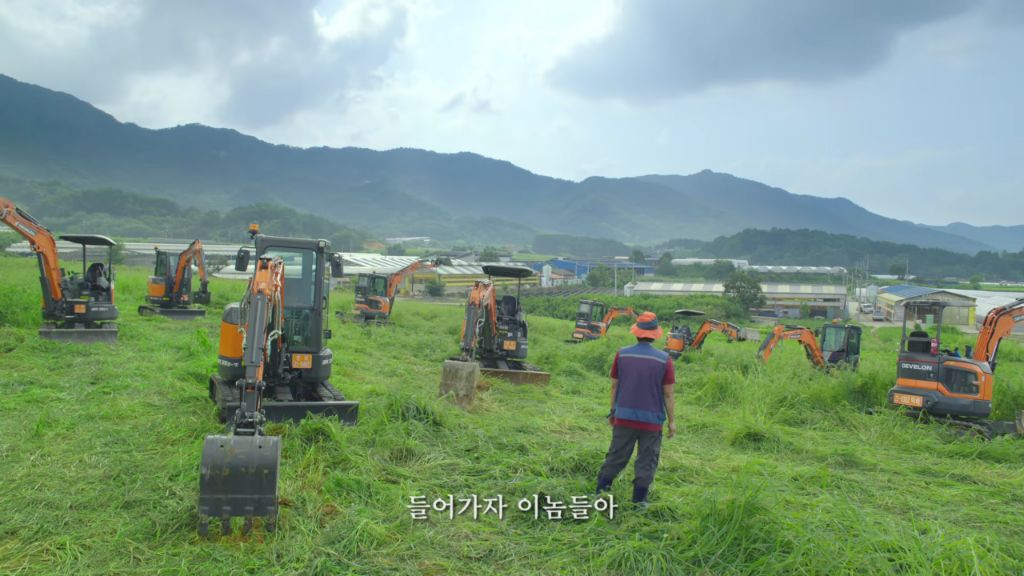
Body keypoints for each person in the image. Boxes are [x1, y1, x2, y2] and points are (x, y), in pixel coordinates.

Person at [595, 311, 676, 508]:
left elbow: (614, 386)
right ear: (655, 334)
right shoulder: (664, 360)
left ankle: (600, 493)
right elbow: (668, 394)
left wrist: (613, 411)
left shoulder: (622, 354)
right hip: (652, 422)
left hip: (624, 417)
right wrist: (672, 421)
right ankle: (639, 501)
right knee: (647, 460)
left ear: (636, 332)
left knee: (616, 455)